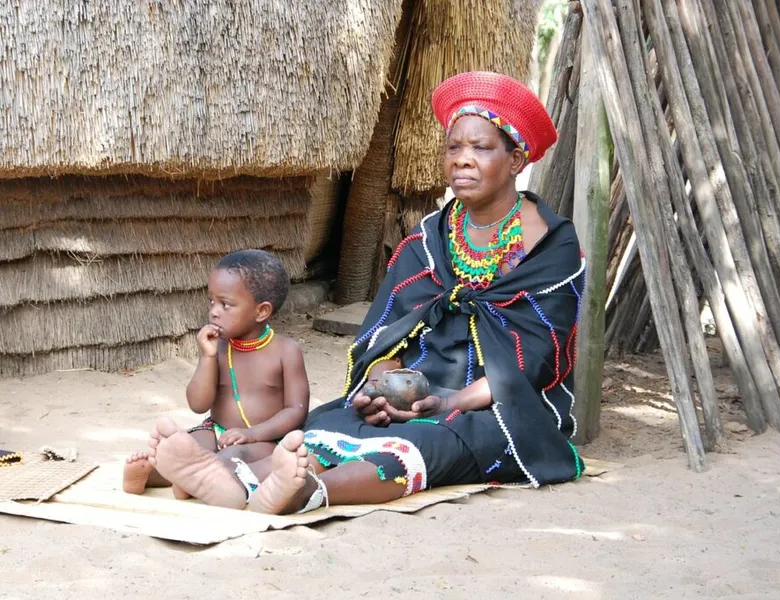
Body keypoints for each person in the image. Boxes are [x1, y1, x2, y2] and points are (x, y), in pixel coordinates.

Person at [145, 71, 585, 513]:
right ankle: (231, 479)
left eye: (481, 148)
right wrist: (380, 387)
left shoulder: (550, 247)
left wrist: (448, 400)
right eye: (454, 147)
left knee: (430, 440)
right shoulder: (430, 239)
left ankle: (306, 493)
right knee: (332, 423)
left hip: (498, 403)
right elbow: (390, 327)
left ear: (515, 160)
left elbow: (534, 357)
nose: (462, 160)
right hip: (414, 392)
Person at [122, 249, 310, 497]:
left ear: (261, 311)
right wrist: (207, 357)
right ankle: (150, 474)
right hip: (216, 430)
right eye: (211, 301)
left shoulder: (286, 351)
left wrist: (252, 434)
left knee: (233, 456)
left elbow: (296, 410)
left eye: (226, 304)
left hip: (263, 439)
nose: (214, 311)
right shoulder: (219, 348)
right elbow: (198, 405)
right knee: (191, 446)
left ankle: (194, 481)